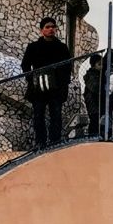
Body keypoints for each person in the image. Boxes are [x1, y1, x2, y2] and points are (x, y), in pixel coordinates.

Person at [21, 17, 72, 149]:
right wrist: (31, 80)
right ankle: (40, 142)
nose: (51, 29)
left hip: (56, 88)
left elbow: (68, 67)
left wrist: (63, 83)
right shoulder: (33, 47)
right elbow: (25, 65)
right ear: (41, 30)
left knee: (56, 116)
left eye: (53, 27)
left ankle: (55, 141)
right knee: (39, 116)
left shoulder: (62, 48)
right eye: (47, 27)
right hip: (39, 88)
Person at [82, 56, 108, 138]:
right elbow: (95, 88)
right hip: (93, 102)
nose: (101, 67)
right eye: (99, 64)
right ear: (93, 65)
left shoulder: (99, 74)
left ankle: (96, 137)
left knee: (98, 121)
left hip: (96, 102)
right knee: (95, 121)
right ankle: (93, 137)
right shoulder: (91, 75)